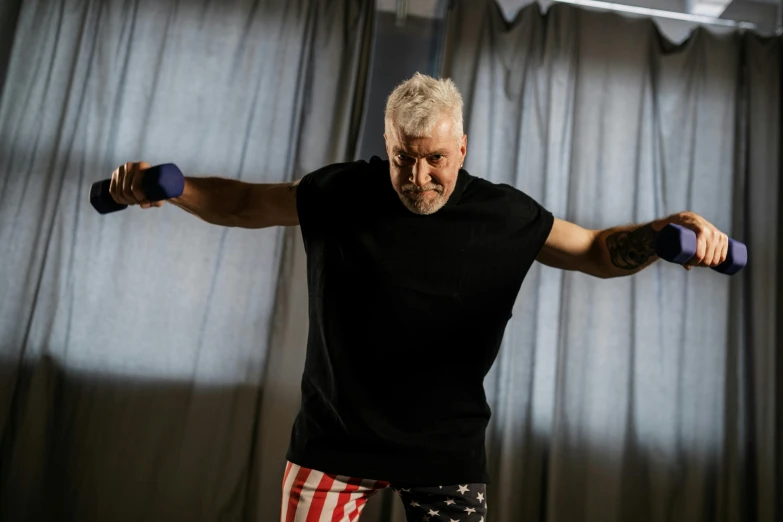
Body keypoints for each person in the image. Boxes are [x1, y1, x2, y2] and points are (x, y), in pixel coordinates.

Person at [109, 73, 730, 521]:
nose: (418, 178)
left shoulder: (503, 216)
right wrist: (172, 188)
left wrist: (660, 231)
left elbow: (596, 250)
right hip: (333, 443)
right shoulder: (339, 193)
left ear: (462, 148)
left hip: (444, 453)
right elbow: (244, 202)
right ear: (387, 147)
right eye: (404, 159)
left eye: (435, 159)